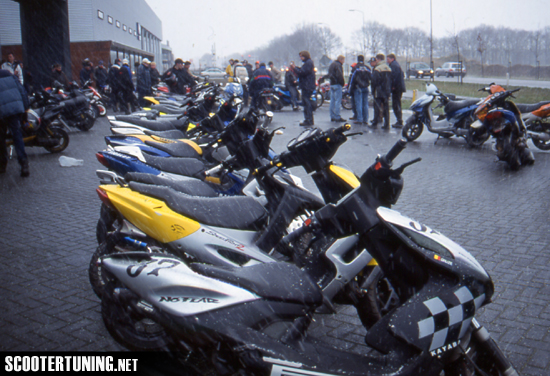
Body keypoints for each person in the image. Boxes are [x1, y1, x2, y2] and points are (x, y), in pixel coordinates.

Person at [0, 69, 29, 177]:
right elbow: (22, 91)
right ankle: (24, 163)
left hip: (1, 112)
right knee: (17, 136)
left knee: (1, 138)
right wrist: (25, 108)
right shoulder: (10, 75)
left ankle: (2, 164)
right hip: (14, 110)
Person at [291, 51, 315, 126]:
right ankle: (308, 119)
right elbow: (302, 70)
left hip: (307, 86)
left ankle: (308, 120)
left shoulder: (308, 63)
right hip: (307, 85)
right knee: (306, 103)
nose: (301, 58)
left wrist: (294, 68)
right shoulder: (308, 63)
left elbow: (302, 72)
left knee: (307, 103)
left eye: (302, 56)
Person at [348, 55, 372, 125]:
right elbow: (371, 78)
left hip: (358, 88)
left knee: (358, 104)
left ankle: (359, 119)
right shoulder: (367, 68)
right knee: (365, 104)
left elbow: (352, 79)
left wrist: (350, 90)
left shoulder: (356, 68)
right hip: (365, 87)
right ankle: (365, 119)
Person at [371, 53, 392, 129]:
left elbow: (374, 81)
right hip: (386, 91)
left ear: (379, 59)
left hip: (379, 91)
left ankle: (375, 122)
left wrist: (373, 90)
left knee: (377, 107)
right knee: (386, 107)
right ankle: (387, 124)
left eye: (376, 60)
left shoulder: (378, 69)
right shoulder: (388, 68)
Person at [387, 53, 406, 128]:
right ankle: (399, 120)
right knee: (397, 103)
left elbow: (394, 77)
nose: (387, 60)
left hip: (397, 88)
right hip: (399, 87)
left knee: (396, 104)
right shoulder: (396, 65)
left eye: (388, 59)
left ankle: (399, 120)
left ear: (392, 59)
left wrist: (393, 86)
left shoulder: (394, 66)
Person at [328, 55, 346, 122]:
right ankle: (337, 116)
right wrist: (342, 83)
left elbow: (329, 74)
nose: (343, 62)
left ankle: (332, 116)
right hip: (337, 84)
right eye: (343, 60)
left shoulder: (332, 65)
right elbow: (339, 75)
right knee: (338, 101)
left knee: (332, 101)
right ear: (341, 60)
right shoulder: (338, 65)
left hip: (332, 84)